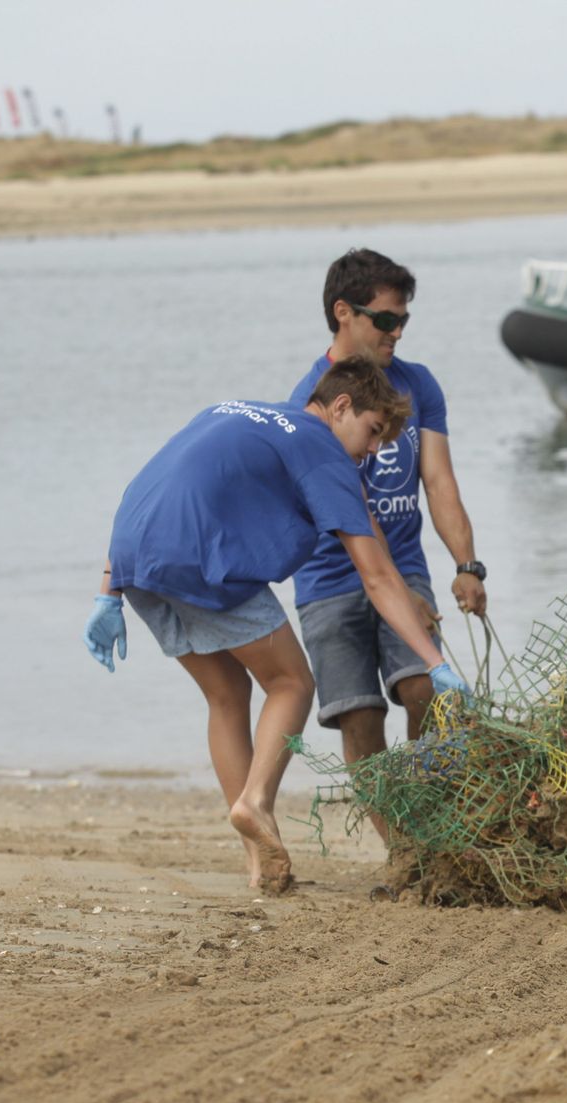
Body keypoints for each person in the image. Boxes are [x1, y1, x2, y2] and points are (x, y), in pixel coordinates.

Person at [81, 357, 468, 895]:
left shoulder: (229, 409)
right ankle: (255, 802)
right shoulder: (323, 450)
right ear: (339, 407)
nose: (374, 450)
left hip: (135, 557)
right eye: (373, 431)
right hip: (199, 561)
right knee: (292, 683)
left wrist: (108, 593)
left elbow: (147, 488)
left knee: (226, 694)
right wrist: (435, 662)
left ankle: (260, 864)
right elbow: (377, 576)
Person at [286, 248, 487, 880]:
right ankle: (405, 852)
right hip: (331, 580)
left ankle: (426, 818)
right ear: (343, 314)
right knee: (361, 716)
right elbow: (355, 519)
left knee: (425, 688)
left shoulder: (418, 385)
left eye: (404, 320)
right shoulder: (313, 401)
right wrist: (398, 589)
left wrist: (467, 565)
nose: (397, 333)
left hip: (404, 567)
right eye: (384, 321)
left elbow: (440, 481)